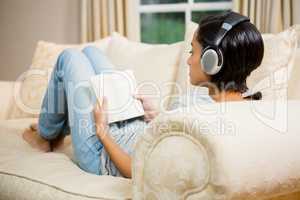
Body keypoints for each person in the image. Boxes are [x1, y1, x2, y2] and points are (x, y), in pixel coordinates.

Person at [23, 11, 264, 178]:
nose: (188, 60)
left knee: (70, 58)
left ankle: (45, 135)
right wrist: (156, 115)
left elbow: (139, 171)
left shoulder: (203, 122)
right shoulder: (233, 101)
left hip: (102, 154)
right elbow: (166, 133)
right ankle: (61, 127)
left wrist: (103, 133)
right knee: (91, 52)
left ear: (213, 62)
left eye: (193, 51)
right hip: (133, 125)